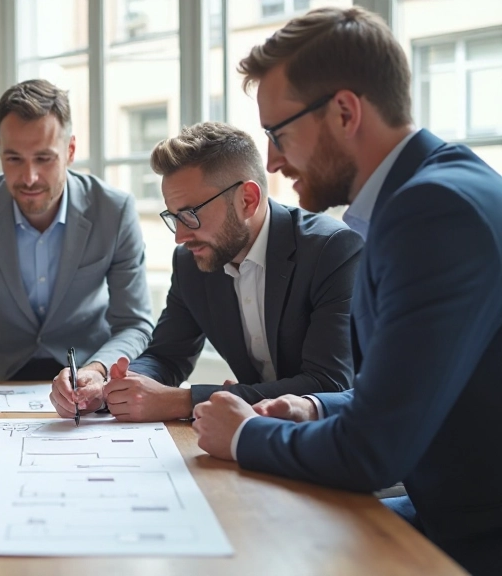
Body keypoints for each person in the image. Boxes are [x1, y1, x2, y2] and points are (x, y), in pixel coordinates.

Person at [191, 8, 502, 574]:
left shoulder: (433, 213)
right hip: (450, 512)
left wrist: (246, 435)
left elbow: (373, 452)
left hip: (475, 539)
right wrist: (313, 407)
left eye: (279, 134)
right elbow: (410, 392)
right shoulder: (428, 191)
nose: (274, 162)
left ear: (344, 111)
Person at [50, 122, 361, 422]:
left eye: (190, 215)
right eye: (174, 217)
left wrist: (182, 400)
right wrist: (109, 388)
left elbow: (328, 385)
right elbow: (166, 356)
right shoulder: (191, 262)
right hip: (248, 441)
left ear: (247, 200)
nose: (180, 236)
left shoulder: (331, 250)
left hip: (340, 448)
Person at [0, 79, 153, 398]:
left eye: (44, 159)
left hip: (88, 378)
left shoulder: (114, 211)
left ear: (70, 151)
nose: (29, 178)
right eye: (14, 159)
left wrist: (98, 371)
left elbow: (134, 324)